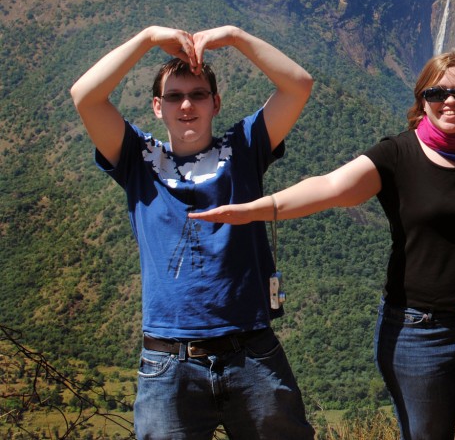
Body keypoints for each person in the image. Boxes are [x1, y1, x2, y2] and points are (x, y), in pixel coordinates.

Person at [189, 50, 455, 440]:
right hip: (418, 332)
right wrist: (253, 209)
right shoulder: (395, 155)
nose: (450, 101)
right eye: (438, 93)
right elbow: (329, 187)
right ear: (422, 100)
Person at [69, 25, 315, 439]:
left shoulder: (245, 147)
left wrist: (235, 36)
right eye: (174, 96)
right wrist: (146, 38)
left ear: (216, 103)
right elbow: (85, 96)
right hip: (168, 360)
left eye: (198, 94)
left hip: (251, 351)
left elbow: (298, 86)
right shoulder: (136, 158)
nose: (186, 105)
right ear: (156, 107)